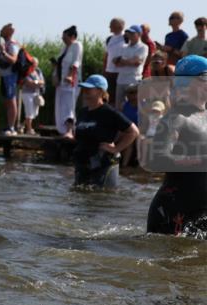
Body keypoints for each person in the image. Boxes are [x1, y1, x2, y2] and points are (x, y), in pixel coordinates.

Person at [146, 55, 207, 235]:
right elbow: (158, 159)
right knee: (171, 263)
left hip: (202, 212)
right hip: (173, 212)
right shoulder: (175, 118)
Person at [71, 74, 138, 188]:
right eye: (84, 88)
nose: (85, 91)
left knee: (102, 199)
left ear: (100, 91)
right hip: (82, 163)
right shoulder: (82, 112)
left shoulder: (109, 112)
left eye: (89, 89)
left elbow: (133, 131)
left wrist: (116, 148)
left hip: (102, 164)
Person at [54, 25, 83, 138]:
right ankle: (62, 130)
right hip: (61, 82)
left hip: (72, 82)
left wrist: (71, 76)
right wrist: (55, 76)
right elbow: (59, 63)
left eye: (65, 37)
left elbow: (76, 62)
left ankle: (70, 130)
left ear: (72, 36)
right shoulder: (64, 48)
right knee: (61, 106)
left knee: (69, 106)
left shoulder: (77, 45)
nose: (63, 39)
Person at [112, 25, 148, 109]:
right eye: (128, 33)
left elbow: (137, 62)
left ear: (139, 34)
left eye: (132, 33)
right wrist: (128, 61)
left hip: (133, 79)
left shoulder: (143, 47)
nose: (130, 35)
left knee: (134, 104)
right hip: (121, 79)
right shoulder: (124, 47)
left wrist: (122, 61)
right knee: (119, 105)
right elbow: (114, 61)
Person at [0, 23, 21, 134]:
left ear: (9, 31)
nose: (0, 30)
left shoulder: (12, 44)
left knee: (11, 101)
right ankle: (8, 125)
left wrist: (4, 52)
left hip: (10, 75)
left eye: (3, 29)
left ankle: (11, 127)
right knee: (7, 101)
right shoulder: (5, 43)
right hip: (4, 75)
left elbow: (14, 59)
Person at [103, 17, 126, 106]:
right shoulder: (109, 39)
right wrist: (104, 71)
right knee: (110, 97)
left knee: (120, 98)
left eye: (112, 25)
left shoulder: (126, 37)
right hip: (109, 72)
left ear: (119, 26)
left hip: (120, 73)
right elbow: (106, 56)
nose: (109, 26)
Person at [20, 60, 45, 135]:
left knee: (35, 113)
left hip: (36, 94)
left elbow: (42, 82)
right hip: (27, 94)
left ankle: (22, 125)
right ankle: (29, 129)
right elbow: (29, 83)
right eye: (33, 64)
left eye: (36, 64)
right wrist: (37, 83)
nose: (35, 66)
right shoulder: (26, 71)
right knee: (29, 112)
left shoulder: (38, 71)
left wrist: (36, 82)